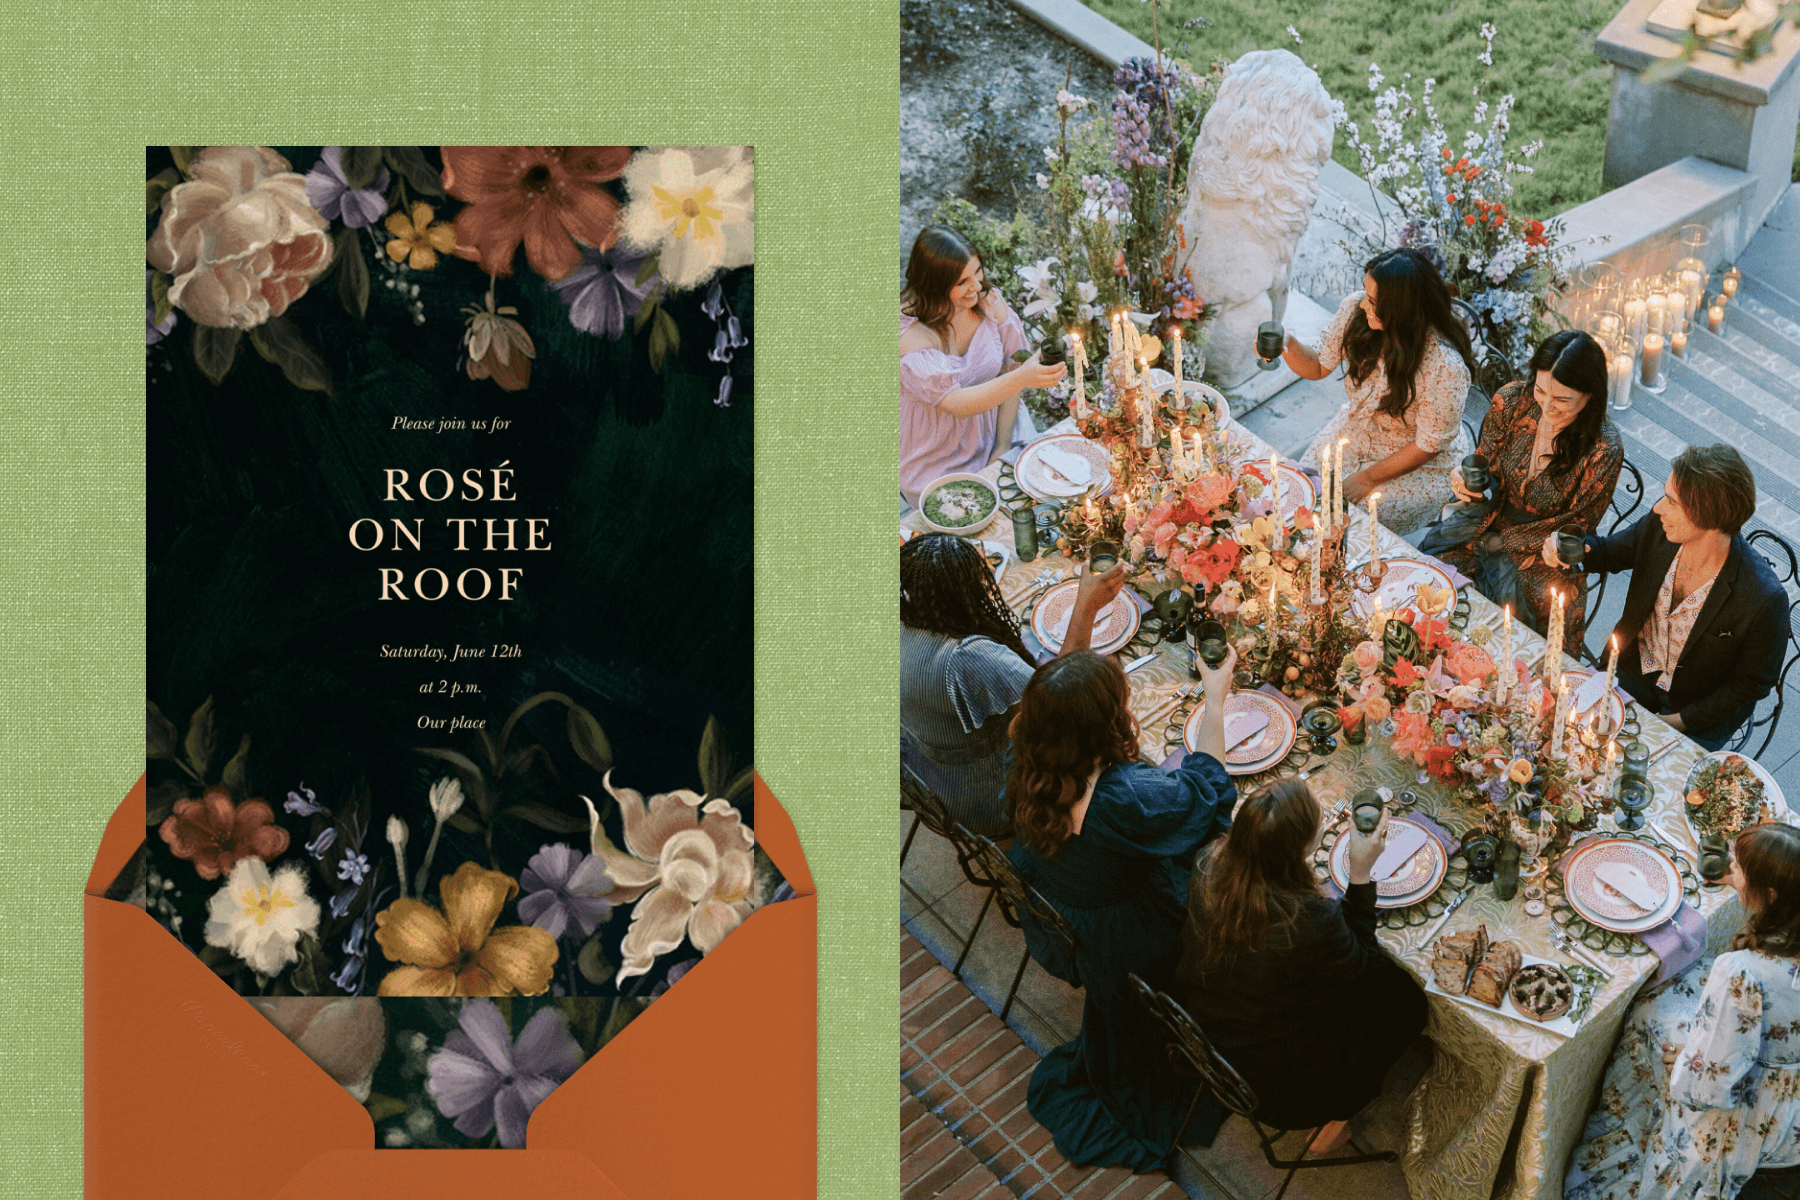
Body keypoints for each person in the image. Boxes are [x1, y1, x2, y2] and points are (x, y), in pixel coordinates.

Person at [1003, 645, 1238, 1174]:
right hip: (1140, 935)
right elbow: (1208, 790)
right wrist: (1217, 699)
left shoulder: (1023, 756)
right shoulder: (1123, 800)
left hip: (1083, 917)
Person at [1172, 781, 1428, 1153]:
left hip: (1215, 1036)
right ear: (1301, 850)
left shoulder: (1209, 863)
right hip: (1287, 1086)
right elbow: (1363, 965)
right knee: (1405, 997)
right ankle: (1337, 1114)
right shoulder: (1304, 918)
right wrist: (1360, 875)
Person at [1566, 823, 1800, 1200]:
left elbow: (1708, 1090)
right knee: (1685, 985)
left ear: (1770, 895)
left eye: (1738, 867)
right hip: (1790, 1111)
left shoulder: (1741, 971)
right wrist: (1739, 882)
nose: (1729, 868)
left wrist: (1686, 1063)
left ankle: (1636, 1130)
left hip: (1742, 1120)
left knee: (1648, 1012)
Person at [1546, 444, 1785, 751]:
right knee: (1568, 744)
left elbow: (1752, 685)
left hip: (1695, 711)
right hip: (1630, 673)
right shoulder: (1661, 530)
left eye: (1672, 502)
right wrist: (1570, 550)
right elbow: (1609, 552)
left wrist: (1676, 721)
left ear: (1708, 516)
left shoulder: (1764, 599)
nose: (1658, 507)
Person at [901, 533, 1127, 836]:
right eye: (982, 578)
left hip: (926, 777)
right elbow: (1060, 699)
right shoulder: (967, 658)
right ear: (966, 594)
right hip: (984, 801)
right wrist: (1086, 604)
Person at [1421, 331, 1623, 647]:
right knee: (1432, 594)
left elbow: (1577, 524)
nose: (1548, 407)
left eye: (1563, 400)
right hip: (1486, 518)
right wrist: (1465, 479)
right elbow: (1484, 466)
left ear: (1591, 396)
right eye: (1541, 391)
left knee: (1518, 640)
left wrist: (1505, 540)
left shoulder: (1603, 449)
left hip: (1545, 548)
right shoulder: (1512, 400)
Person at [1287, 248, 1477, 535]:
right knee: (1300, 493)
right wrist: (1286, 344)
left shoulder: (1444, 367)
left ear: (1401, 310)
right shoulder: (1356, 312)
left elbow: (1426, 447)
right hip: (1357, 433)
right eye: (1365, 293)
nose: (1363, 304)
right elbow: (1316, 366)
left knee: (1343, 525)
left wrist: (1365, 479)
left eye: (1373, 301)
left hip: (1417, 461)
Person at [901, 226, 1064, 508]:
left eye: (978, 272)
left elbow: (1012, 367)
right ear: (935, 286)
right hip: (937, 454)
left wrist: (1001, 448)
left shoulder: (986, 301)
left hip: (1001, 425)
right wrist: (1023, 377)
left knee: (1044, 494)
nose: (976, 286)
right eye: (962, 281)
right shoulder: (910, 337)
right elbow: (956, 403)